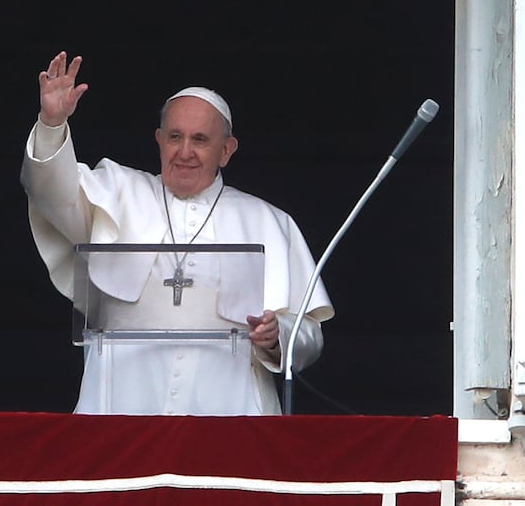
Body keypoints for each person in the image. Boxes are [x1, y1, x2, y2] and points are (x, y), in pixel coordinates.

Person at [21, 51, 333, 415]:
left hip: (229, 411)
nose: (184, 152)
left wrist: (278, 335)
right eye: (174, 136)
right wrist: (52, 123)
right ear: (158, 139)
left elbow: (309, 335)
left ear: (226, 151)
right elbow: (50, 192)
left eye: (200, 139)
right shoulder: (118, 191)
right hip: (120, 403)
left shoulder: (268, 220)